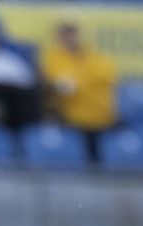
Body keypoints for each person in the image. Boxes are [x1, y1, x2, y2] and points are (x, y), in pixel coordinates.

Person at [41, 20, 116, 157]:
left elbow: (108, 78)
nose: (69, 37)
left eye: (72, 32)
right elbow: (56, 85)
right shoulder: (53, 59)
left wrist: (78, 80)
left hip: (101, 119)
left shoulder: (97, 58)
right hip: (72, 120)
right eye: (64, 33)